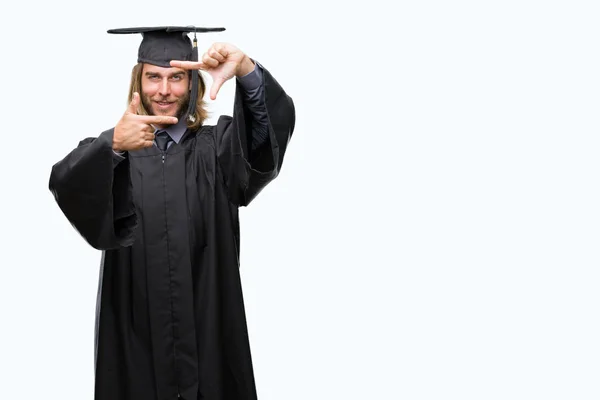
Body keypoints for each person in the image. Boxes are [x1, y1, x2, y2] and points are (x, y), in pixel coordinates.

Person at [48, 26, 296, 400]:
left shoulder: (218, 149)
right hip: (136, 341)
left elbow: (263, 146)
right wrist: (112, 145)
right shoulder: (114, 152)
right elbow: (67, 186)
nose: (163, 90)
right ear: (139, 80)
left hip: (209, 331)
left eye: (176, 77)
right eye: (154, 77)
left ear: (193, 83)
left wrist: (246, 70)